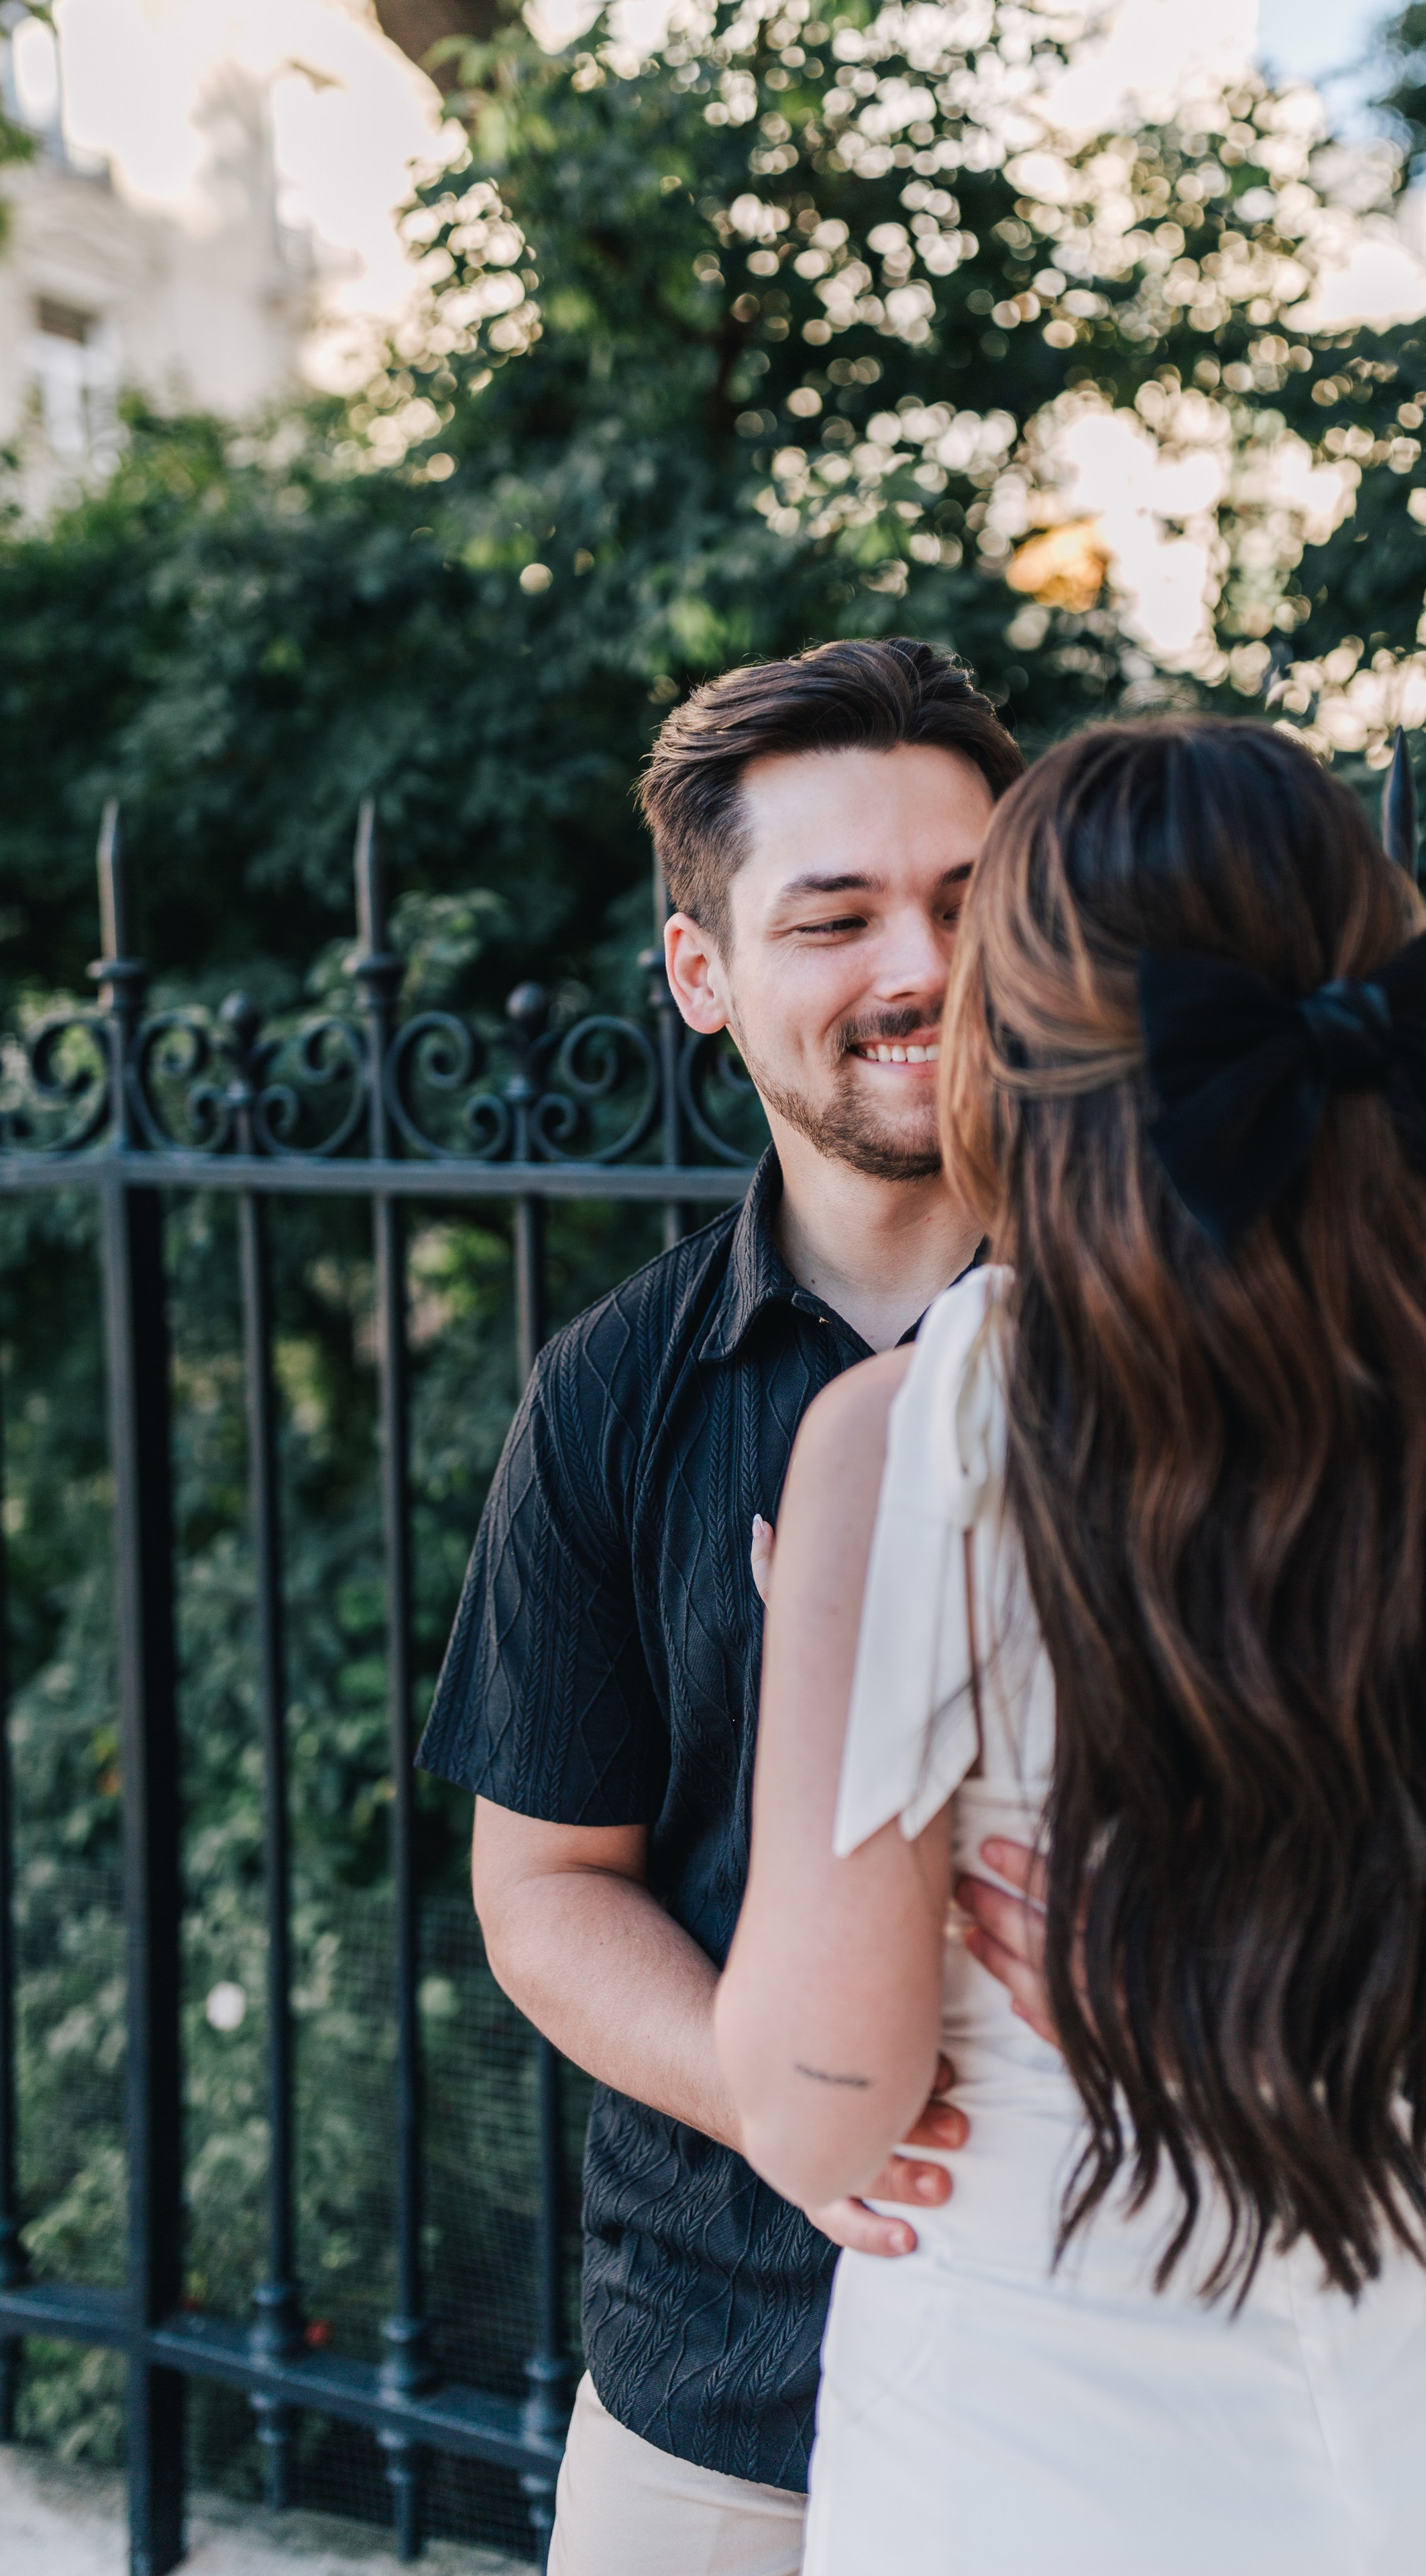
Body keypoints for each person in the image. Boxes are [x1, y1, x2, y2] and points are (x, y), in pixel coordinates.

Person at [714, 715, 1426, 2575]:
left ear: (1019, 1048)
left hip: (1040, 2420)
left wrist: (812, 1664)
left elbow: (819, 2101)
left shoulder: (906, 1439)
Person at [418, 637, 1052, 2575]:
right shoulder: (613, 1394)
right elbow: (544, 1887)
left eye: (962, 902)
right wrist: (801, 2113)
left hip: (1125, 2368)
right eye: (834, 916)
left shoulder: (1210, 1351)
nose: (917, 970)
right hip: (726, 2395)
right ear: (704, 978)